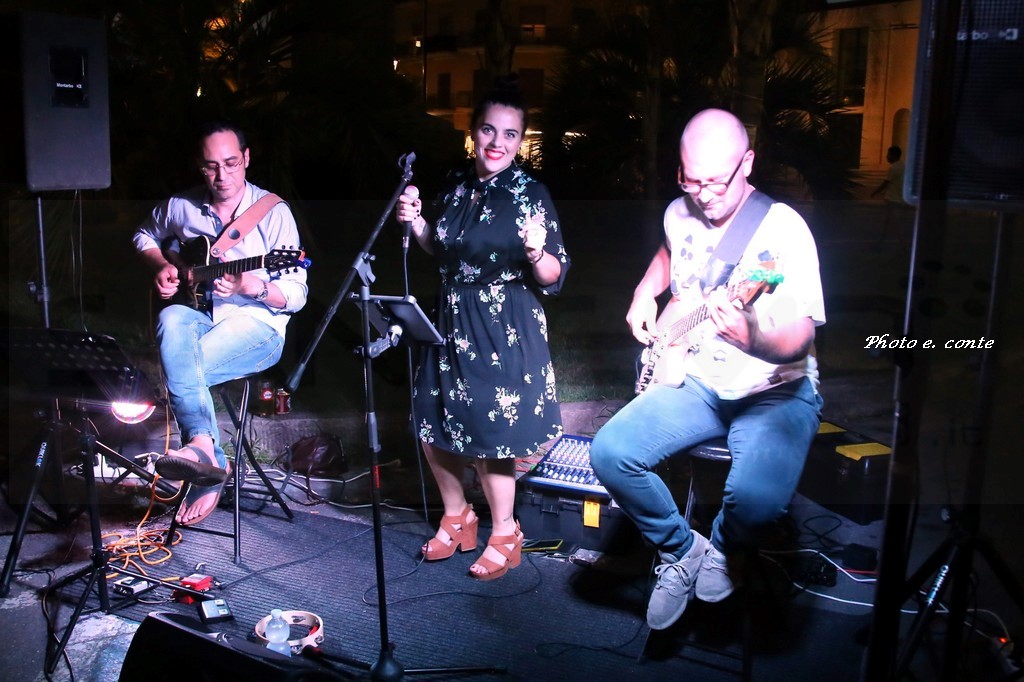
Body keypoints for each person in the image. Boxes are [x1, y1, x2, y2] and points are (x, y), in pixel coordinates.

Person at [589, 108, 825, 630]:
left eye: (716, 182)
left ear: (747, 163)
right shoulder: (680, 211)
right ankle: (681, 550)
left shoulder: (782, 231)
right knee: (610, 453)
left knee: (756, 502)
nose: (704, 195)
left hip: (774, 388)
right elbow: (670, 252)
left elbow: (801, 335)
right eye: (691, 180)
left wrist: (753, 337)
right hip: (697, 378)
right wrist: (645, 291)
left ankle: (725, 547)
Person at [395, 80, 570, 581]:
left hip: (502, 324)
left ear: (520, 141)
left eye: (510, 134)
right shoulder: (456, 183)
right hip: (450, 317)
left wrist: (537, 252)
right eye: (489, 130)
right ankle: (458, 518)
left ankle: (505, 532)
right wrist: (417, 223)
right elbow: (441, 247)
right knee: (431, 419)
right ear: (474, 131)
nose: (498, 142)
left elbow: (555, 274)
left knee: (493, 433)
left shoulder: (530, 193)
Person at [133, 121, 308, 526]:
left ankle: (205, 462)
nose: (222, 176)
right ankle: (208, 455)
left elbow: (296, 295)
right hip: (203, 318)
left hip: (260, 328)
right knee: (172, 315)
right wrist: (162, 264)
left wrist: (251, 286)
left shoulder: (273, 213)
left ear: (246, 159)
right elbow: (144, 235)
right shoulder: (182, 207)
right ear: (200, 166)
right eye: (211, 167)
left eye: (231, 164)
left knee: (181, 367)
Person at [871, 145, 911, 247]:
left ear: (893, 155)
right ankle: (881, 242)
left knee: (893, 223)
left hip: (892, 199)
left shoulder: (893, 168)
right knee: (888, 221)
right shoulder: (903, 166)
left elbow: (885, 183)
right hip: (898, 198)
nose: (887, 156)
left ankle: (903, 245)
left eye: (888, 154)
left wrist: (874, 192)